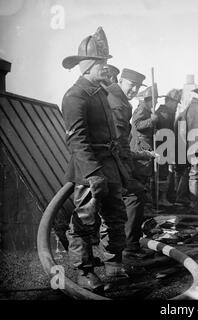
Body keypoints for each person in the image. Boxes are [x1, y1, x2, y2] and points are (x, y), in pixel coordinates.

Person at [61, 27, 129, 292]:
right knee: (84, 221)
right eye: (102, 62)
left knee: (115, 216)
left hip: (109, 167)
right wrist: (92, 173)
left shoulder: (99, 92)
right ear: (88, 65)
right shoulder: (75, 96)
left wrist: (122, 172)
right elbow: (76, 140)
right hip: (88, 171)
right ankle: (84, 271)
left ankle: (113, 263)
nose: (106, 67)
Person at [105, 68, 155, 260]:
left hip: (115, 158)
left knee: (135, 193)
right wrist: (138, 156)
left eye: (136, 86)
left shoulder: (119, 98)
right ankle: (128, 248)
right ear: (122, 81)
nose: (133, 89)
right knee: (134, 195)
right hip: (109, 161)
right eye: (130, 84)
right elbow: (118, 142)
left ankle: (129, 245)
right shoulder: (118, 101)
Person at [130, 84, 159, 204]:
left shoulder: (148, 110)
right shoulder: (142, 109)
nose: (156, 102)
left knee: (146, 174)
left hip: (146, 143)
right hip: (141, 145)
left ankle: (144, 202)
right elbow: (136, 125)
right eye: (155, 99)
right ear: (149, 100)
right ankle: (141, 203)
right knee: (141, 173)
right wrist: (151, 121)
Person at [154, 89, 183, 206]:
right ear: (170, 101)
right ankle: (162, 198)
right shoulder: (165, 114)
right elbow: (166, 134)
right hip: (163, 148)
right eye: (176, 103)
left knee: (165, 173)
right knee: (162, 173)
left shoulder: (166, 112)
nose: (176, 106)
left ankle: (165, 197)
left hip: (163, 147)